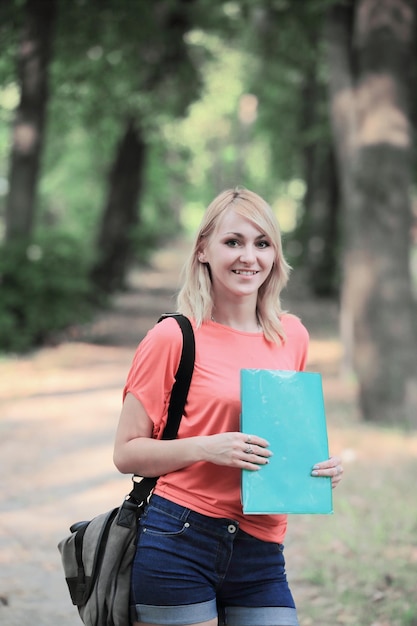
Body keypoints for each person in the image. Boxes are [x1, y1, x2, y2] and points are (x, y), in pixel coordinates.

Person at [113, 187, 343, 626]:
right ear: (203, 250)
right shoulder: (173, 337)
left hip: (262, 546)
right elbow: (125, 453)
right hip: (179, 535)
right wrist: (206, 447)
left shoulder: (292, 336)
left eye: (262, 243)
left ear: (275, 254)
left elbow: (282, 440)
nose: (248, 257)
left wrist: (317, 469)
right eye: (232, 242)